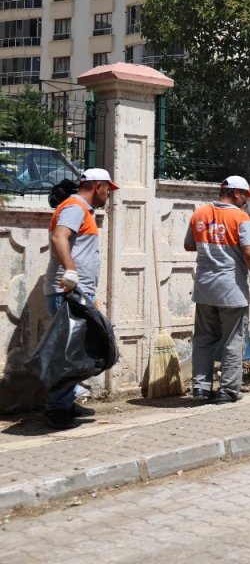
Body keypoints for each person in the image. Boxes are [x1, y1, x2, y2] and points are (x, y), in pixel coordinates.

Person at [42, 168, 118, 429]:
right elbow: (58, 237)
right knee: (69, 354)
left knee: (76, 352)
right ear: (98, 186)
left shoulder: (81, 209)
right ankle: (56, 409)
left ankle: (66, 401)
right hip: (67, 293)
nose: (109, 194)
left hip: (76, 293)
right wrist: (71, 271)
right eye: (108, 188)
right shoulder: (75, 207)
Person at [184, 176, 250, 404]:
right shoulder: (240, 217)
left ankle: (200, 388)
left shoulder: (199, 213)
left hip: (204, 288)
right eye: (245, 197)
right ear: (236, 193)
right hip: (231, 290)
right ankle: (228, 390)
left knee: (203, 338)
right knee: (233, 340)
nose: (245, 202)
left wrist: (211, 243)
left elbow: (189, 244)